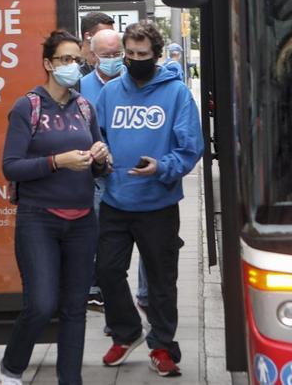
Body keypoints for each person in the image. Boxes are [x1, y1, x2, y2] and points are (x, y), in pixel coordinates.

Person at [0, 29, 112, 385]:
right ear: (47, 64)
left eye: (77, 59)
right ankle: (11, 369)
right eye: (64, 59)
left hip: (82, 220)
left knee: (75, 309)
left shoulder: (84, 106)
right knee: (41, 304)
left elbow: (99, 160)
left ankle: (69, 380)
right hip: (39, 219)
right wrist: (56, 161)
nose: (72, 66)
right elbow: (11, 167)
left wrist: (102, 158)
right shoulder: (27, 106)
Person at [95, 23, 203, 377]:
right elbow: (99, 136)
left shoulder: (177, 94)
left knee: (161, 282)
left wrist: (162, 167)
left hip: (158, 205)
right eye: (130, 54)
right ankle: (127, 332)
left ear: (156, 55)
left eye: (143, 55)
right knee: (107, 271)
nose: (135, 60)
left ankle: (163, 346)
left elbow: (191, 147)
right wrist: (101, 158)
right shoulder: (110, 93)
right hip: (115, 200)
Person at [76, 28, 126, 313]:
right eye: (107, 55)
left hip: (127, 172)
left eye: (117, 54)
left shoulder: (132, 83)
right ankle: (95, 288)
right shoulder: (81, 87)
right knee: (95, 229)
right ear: (93, 56)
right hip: (95, 174)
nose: (113, 60)